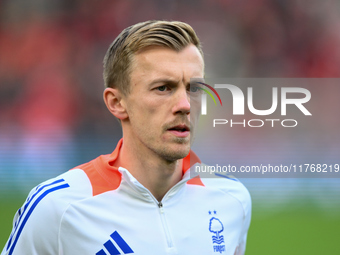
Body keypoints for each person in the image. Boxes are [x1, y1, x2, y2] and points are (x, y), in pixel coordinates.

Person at [2, 20, 251, 255]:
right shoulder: (58, 206)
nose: (185, 104)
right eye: (163, 88)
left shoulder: (231, 199)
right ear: (117, 103)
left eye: (194, 88)